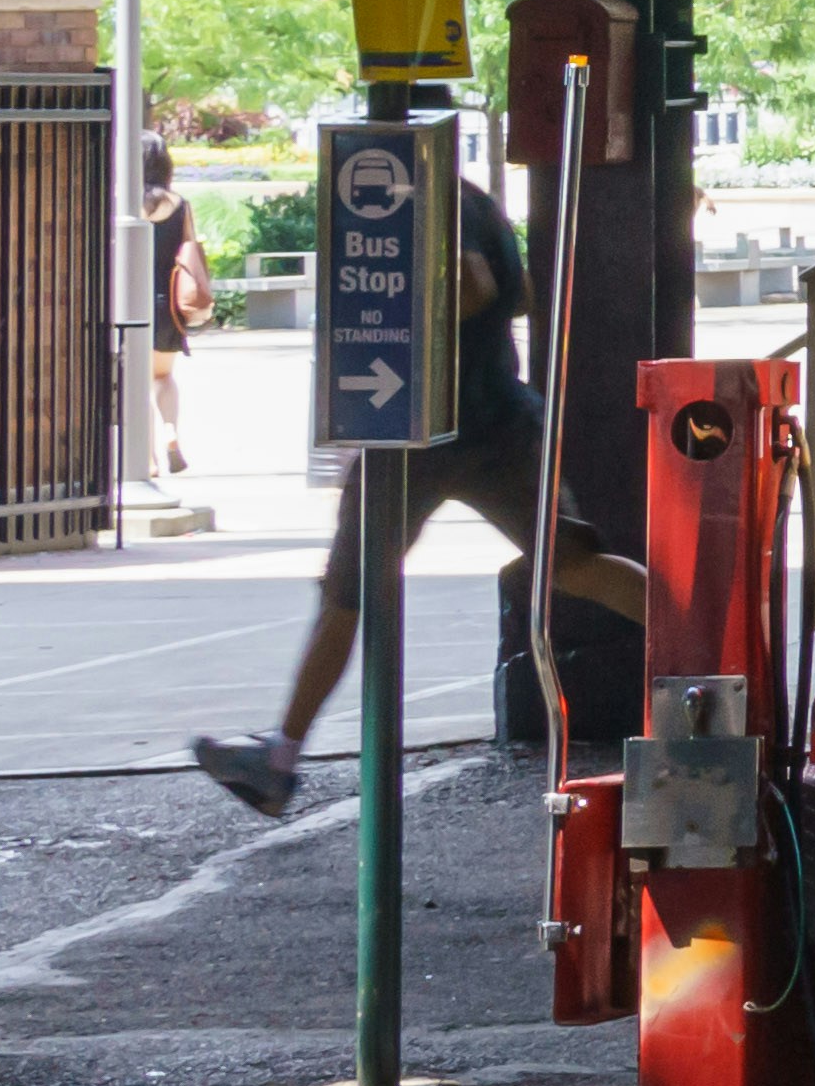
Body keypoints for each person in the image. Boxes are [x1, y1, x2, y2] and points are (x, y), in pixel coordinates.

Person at [190, 168, 634, 818]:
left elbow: (475, 285)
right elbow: (521, 295)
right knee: (573, 564)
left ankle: (279, 761)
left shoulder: (422, 201)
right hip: (502, 418)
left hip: (416, 421)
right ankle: (713, 647)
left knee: (347, 590)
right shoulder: (479, 201)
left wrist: (392, 312)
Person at [142, 188, 208, 477]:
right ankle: (170, 431)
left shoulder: (123, 200)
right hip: (168, 304)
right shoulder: (180, 204)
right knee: (163, 377)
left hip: (130, 301)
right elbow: (190, 248)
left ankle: (148, 459)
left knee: (135, 386)